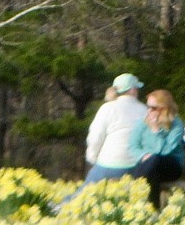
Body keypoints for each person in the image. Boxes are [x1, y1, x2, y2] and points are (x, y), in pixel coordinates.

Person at [56, 73, 148, 210]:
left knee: (85, 191)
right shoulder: (145, 110)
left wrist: (92, 157)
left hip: (111, 165)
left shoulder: (107, 108)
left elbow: (95, 137)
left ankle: (62, 207)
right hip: (138, 167)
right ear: (133, 90)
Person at [127, 89, 185, 209]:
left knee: (153, 161)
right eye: (148, 107)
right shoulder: (142, 123)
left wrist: (155, 130)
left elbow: (165, 151)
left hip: (170, 164)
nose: (149, 111)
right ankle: (153, 209)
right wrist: (144, 155)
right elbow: (133, 146)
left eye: (153, 108)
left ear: (164, 108)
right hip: (148, 165)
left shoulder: (176, 124)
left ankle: (138, 202)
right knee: (151, 168)